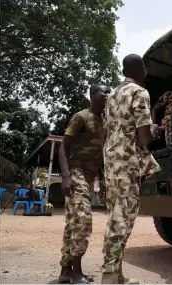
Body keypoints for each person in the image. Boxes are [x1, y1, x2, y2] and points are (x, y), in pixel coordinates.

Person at [101, 54, 163, 284]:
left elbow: (109, 130)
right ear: (140, 69)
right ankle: (108, 276)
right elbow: (144, 137)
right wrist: (155, 130)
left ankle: (116, 275)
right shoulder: (140, 93)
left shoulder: (112, 95)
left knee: (114, 217)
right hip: (127, 163)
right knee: (123, 219)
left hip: (111, 161)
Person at [58, 84, 110, 284]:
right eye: (103, 92)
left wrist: (103, 181)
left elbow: (102, 155)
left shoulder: (104, 123)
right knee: (82, 218)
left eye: (108, 92)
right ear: (92, 95)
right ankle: (77, 273)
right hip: (76, 172)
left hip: (90, 177)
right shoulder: (81, 117)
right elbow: (64, 147)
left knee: (73, 222)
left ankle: (65, 271)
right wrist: (65, 176)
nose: (106, 95)